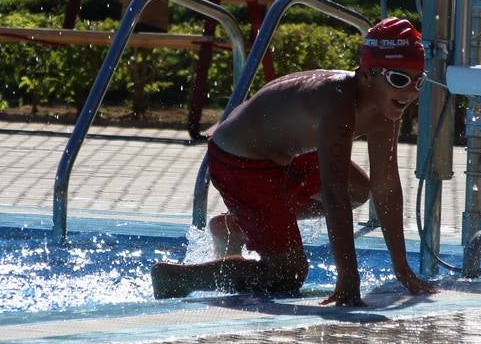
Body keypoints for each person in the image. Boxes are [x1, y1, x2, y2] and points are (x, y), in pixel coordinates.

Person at [150, 17, 438, 306]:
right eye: (399, 79)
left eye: (418, 81)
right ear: (366, 75)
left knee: (358, 190)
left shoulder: (385, 108)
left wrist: (402, 270)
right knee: (287, 274)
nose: (410, 92)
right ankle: (177, 278)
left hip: (286, 155)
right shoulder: (338, 101)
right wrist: (348, 280)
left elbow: (385, 186)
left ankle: (237, 226)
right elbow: (333, 193)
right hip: (239, 160)